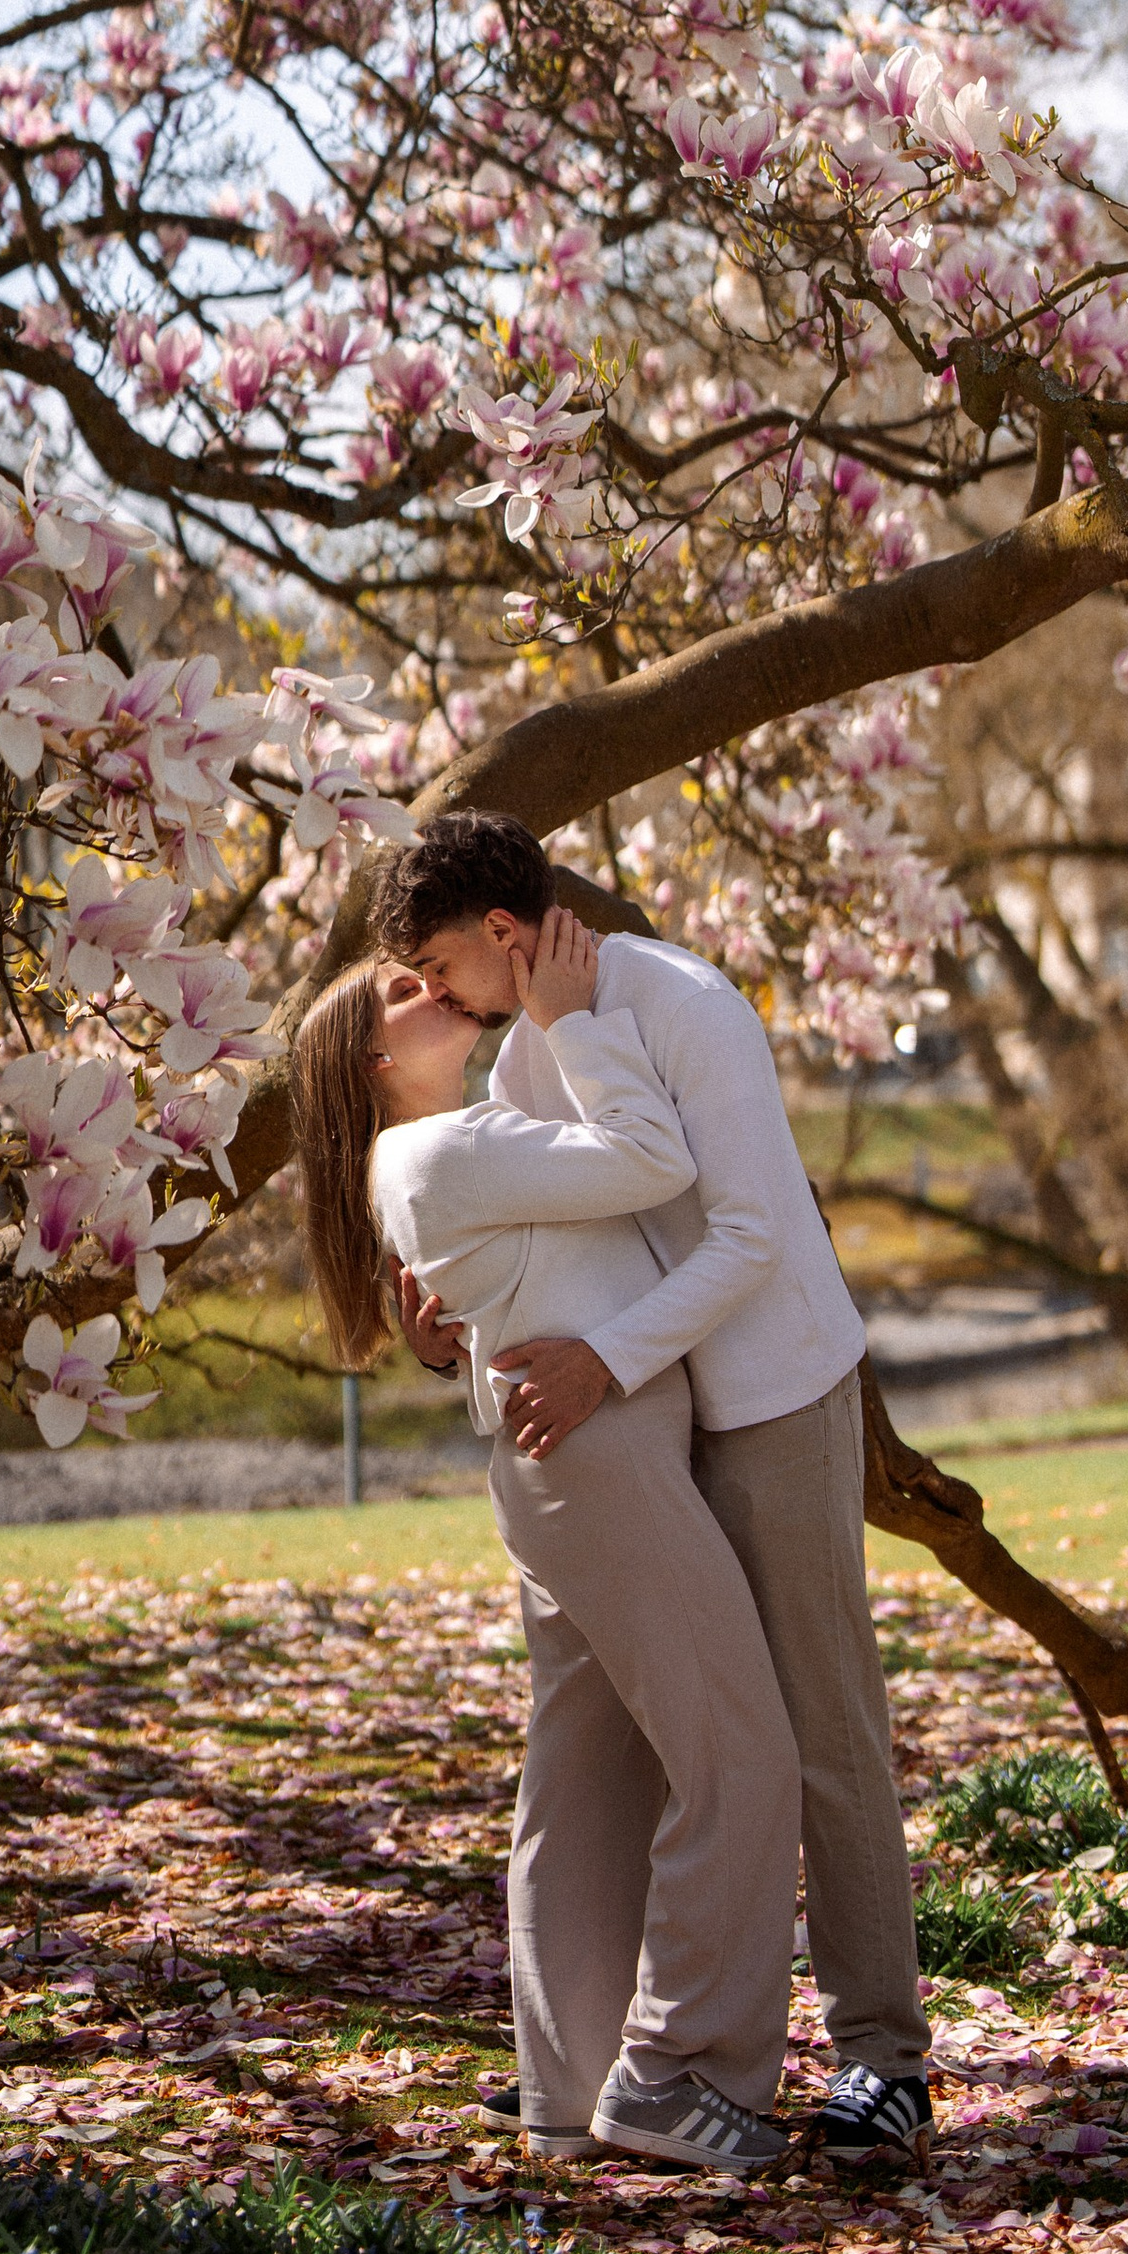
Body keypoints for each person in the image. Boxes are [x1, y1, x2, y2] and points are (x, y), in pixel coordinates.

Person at [371, 812, 933, 2168]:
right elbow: (539, 1215)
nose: (433, 996)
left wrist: (605, 1365)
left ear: (505, 935)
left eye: (442, 965)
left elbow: (744, 1232)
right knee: (635, 1729)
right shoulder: (519, 1046)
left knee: (816, 1725)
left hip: (776, 1396)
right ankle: (609, 2069)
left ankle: (884, 2062)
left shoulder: (683, 1002)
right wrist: (449, 1312)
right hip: (643, 1414)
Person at [293, 904, 802, 2176]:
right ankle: (676, 2074)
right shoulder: (446, 1149)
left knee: (577, 1787)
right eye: (402, 991)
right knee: (742, 1757)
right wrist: (572, 1021)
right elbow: (652, 1161)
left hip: (565, 1475)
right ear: (373, 1058)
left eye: (426, 970)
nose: (431, 989)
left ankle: (564, 2084)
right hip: (601, 1469)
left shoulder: (425, 1159)